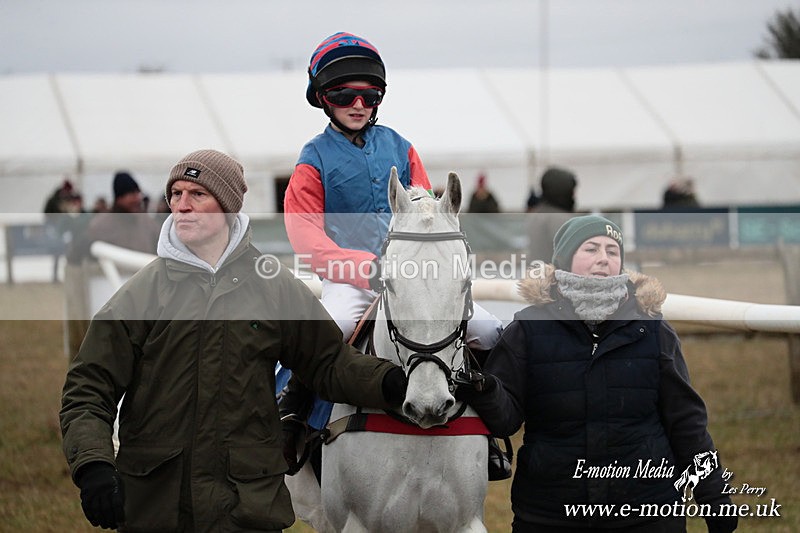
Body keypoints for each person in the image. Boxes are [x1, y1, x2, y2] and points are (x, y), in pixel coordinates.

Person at [60, 149, 409, 532]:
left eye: (197, 195)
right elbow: (88, 385)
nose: (182, 205)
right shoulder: (143, 293)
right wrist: (93, 464)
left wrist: (390, 382)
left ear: (226, 205)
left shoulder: (273, 287)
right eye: (175, 194)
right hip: (156, 508)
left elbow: (329, 363)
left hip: (244, 510)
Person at [281, 31, 506, 479]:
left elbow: (427, 212)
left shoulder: (402, 147)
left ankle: (490, 429)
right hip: (349, 282)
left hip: (413, 277)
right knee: (325, 333)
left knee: (490, 331)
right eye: (344, 94)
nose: (358, 103)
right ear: (323, 98)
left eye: (370, 94)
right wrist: (362, 268)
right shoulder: (313, 158)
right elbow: (304, 232)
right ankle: (292, 418)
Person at [459, 215, 738, 533]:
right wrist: (485, 390)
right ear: (564, 259)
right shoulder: (527, 329)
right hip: (551, 514)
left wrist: (714, 498)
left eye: (612, 251)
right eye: (591, 248)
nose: (604, 258)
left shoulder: (654, 330)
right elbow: (504, 421)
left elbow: (687, 423)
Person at [526, 165, 578, 262]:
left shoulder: (538, 212)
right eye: (571, 191)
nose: (574, 196)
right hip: (553, 274)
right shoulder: (558, 218)